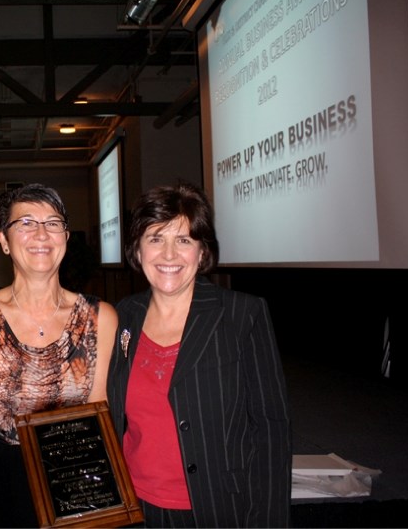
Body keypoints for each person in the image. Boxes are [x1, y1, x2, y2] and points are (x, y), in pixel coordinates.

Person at [107, 182, 292, 528]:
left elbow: (271, 428)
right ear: (137, 250)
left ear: (202, 252)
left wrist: (268, 521)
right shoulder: (123, 316)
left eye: (184, 240)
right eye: (155, 238)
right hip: (135, 507)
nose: (168, 255)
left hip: (216, 507)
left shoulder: (242, 315)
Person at [0, 183, 118, 528]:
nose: (41, 234)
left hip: (70, 481)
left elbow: (98, 414)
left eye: (53, 223)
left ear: (66, 236)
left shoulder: (98, 317)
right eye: (26, 223)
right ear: (3, 240)